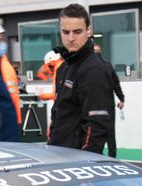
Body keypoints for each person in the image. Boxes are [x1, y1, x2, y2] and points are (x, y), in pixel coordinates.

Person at [47, 4, 114, 154]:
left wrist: (83, 161)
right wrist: (50, 146)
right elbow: (58, 114)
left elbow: (97, 126)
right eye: (66, 32)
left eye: (77, 32)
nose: (71, 38)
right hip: (57, 153)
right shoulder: (64, 67)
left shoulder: (94, 70)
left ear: (88, 31)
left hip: (76, 160)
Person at [94, 43, 124, 158]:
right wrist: (121, 98)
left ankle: (96, 155)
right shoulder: (108, 66)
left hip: (94, 105)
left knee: (95, 132)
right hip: (108, 105)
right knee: (110, 133)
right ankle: (112, 157)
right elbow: (116, 84)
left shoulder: (88, 67)